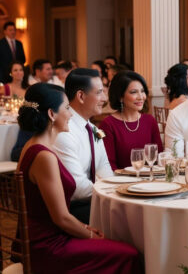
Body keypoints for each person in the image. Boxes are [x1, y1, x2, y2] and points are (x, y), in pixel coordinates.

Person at [15, 83, 142, 273]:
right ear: (51, 114)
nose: (71, 114)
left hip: (42, 237)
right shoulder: (44, 156)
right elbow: (62, 218)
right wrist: (91, 235)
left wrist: (85, 227)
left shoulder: (32, 146)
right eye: (66, 108)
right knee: (130, 254)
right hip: (49, 247)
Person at [53, 68, 113, 224]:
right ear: (80, 96)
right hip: (71, 210)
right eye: (99, 92)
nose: (104, 98)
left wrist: (115, 189)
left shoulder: (93, 129)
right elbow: (78, 189)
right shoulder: (64, 130)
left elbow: (104, 168)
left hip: (90, 201)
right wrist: (113, 192)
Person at [99, 71, 163, 170]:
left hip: (149, 181)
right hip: (120, 182)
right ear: (120, 97)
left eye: (142, 91)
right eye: (134, 92)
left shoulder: (150, 121)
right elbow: (109, 164)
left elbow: (158, 158)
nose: (141, 97)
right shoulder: (108, 125)